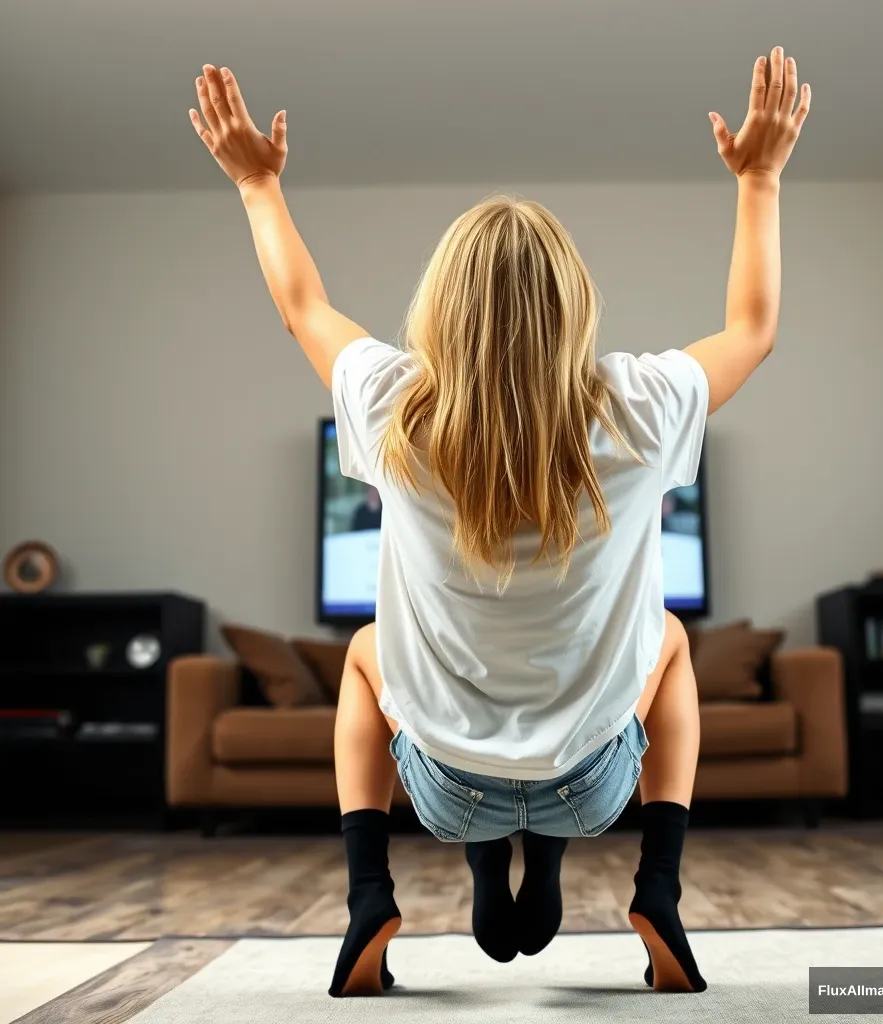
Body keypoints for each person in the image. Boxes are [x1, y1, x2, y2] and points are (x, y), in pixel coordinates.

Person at [188, 47, 810, 997]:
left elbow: (301, 305)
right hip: (591, 783)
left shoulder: (395, 406)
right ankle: (658, 888)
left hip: (443, 787)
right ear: (574, 309)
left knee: (362, 655)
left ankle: (370, 895)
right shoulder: (636, 407)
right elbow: (752, 329)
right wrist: (760, 177)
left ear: (441, 310)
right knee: (674, 643)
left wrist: (256, 185)